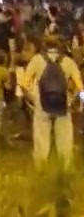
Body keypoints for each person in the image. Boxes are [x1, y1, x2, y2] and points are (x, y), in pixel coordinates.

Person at [22, 35, 83, 168]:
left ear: (45, 45)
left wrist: (32, 100)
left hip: (42, 103)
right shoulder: (68, 61)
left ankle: (41, 168)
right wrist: (75, 101)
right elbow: (80, 87)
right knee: (65, 140)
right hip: (63, 103)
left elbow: (24, 84)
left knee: (41, 138)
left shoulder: (37, 60)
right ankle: (65, 168)